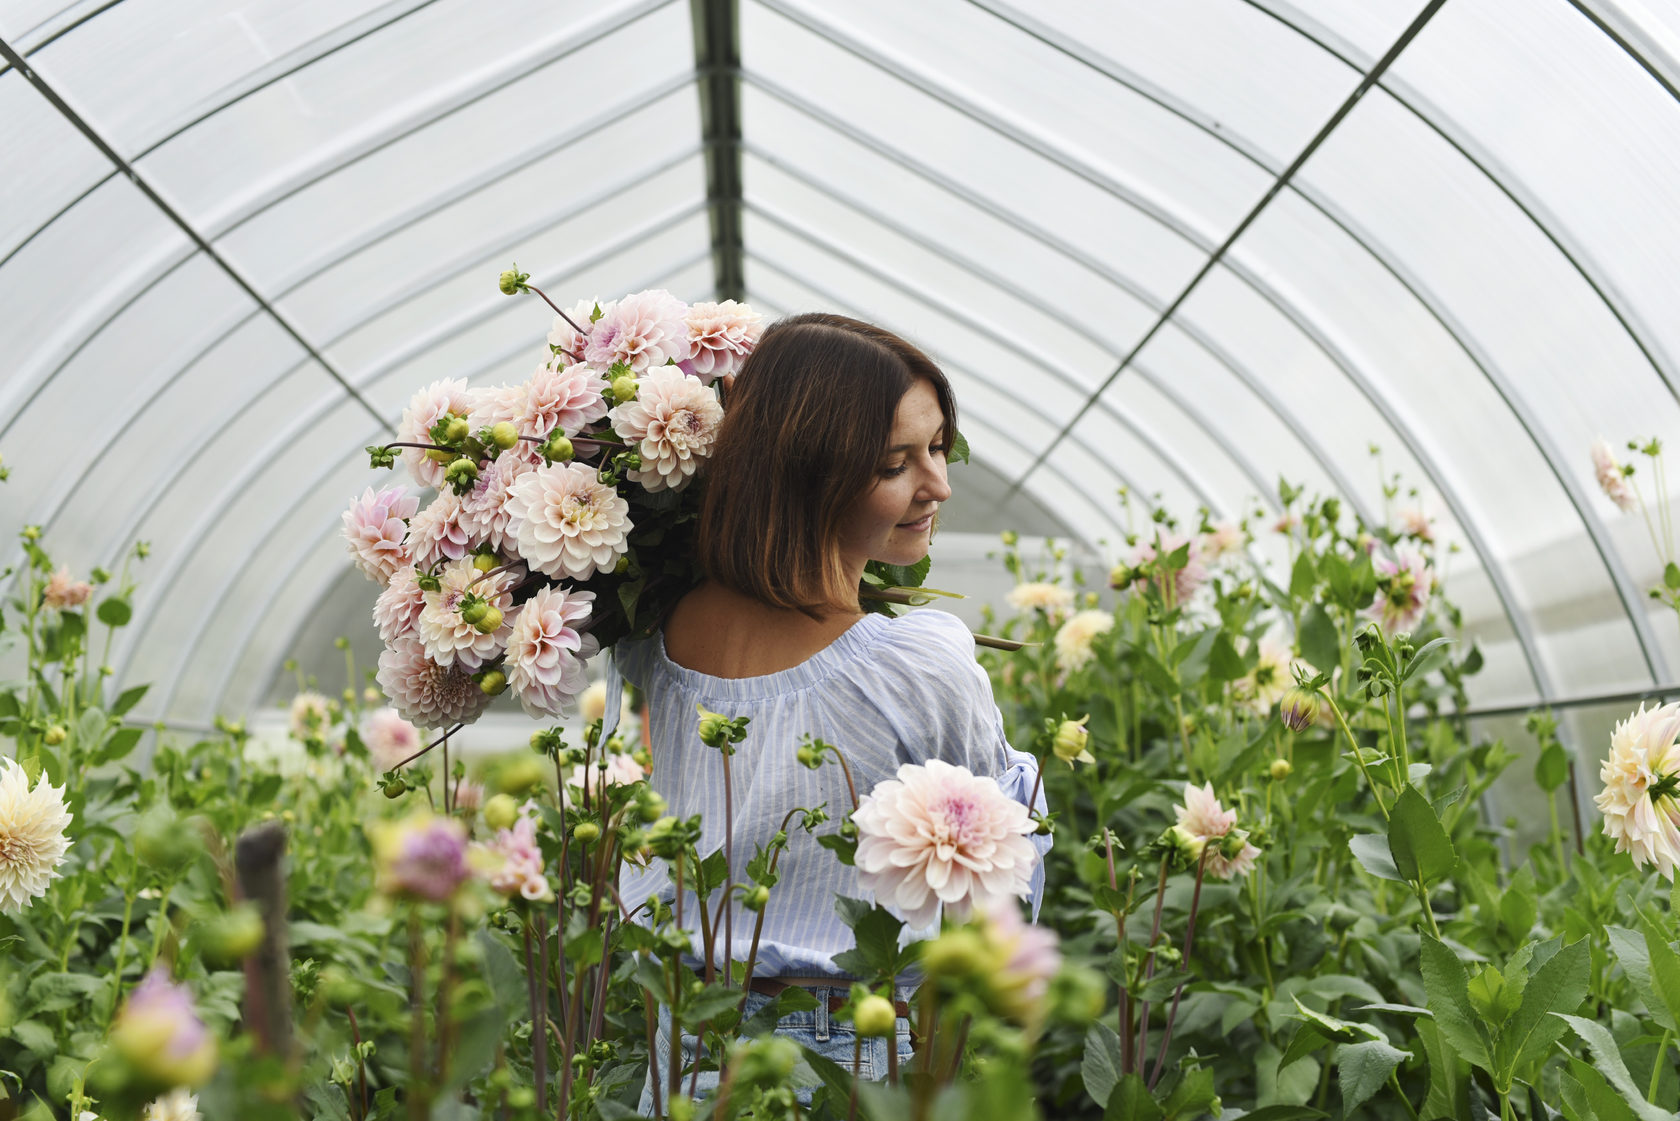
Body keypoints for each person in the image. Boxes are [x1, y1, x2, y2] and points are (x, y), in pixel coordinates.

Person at [618, 312, 1049, 1112]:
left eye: (937, 446)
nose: (940, 485)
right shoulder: (914, 664)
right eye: (897, 462)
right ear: (809, 472)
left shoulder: (654, 639)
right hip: (851, 1054)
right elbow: (999, 880)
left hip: (686, 1050)